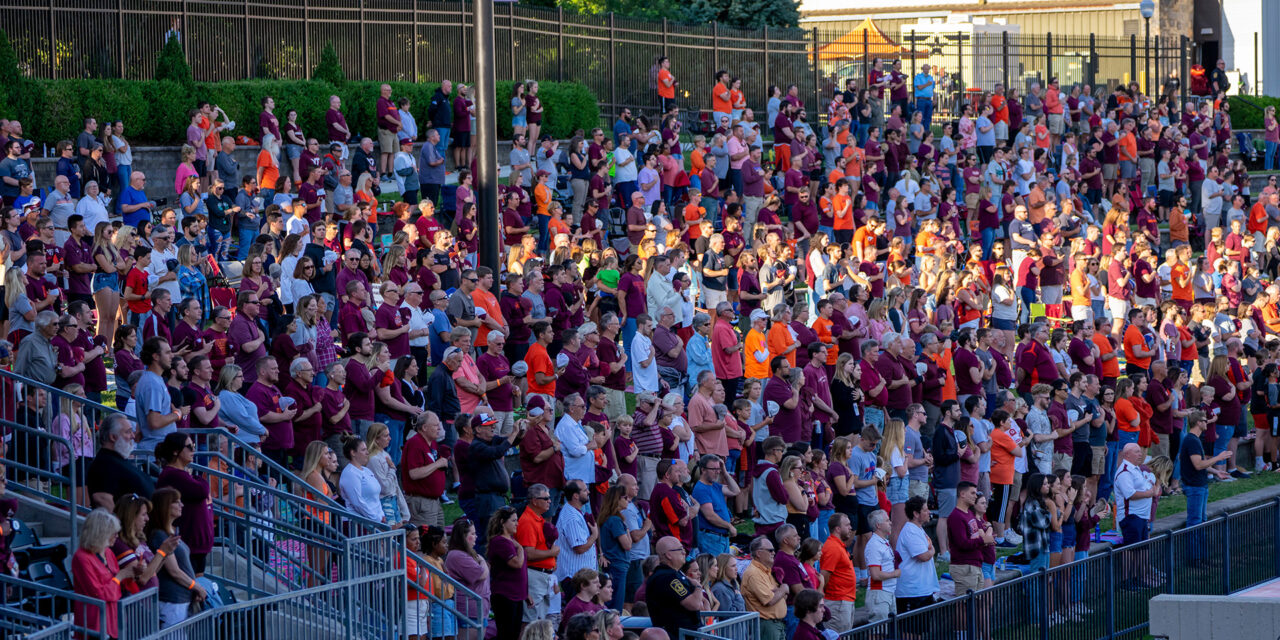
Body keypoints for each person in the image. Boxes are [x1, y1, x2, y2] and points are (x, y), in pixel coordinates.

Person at [646, 536, 706, 640]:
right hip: (677, 635)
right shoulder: (667, 578)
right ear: (669, 555)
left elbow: (699, 604)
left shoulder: (675, 574)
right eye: (680, 549)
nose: (684, 552)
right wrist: (697, 586)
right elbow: (694, 604)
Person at [895, 496, 939, 613]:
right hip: (912, 592)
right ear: (915, 513)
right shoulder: (910, 531)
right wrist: (932, 551)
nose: (929, 512)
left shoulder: (918, 529)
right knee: (911, 630)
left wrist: (930, 551)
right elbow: (923, 556)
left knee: (921, 630)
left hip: (922, 590)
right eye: (925, 510)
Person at [741, 535, 787, 640]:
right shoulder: (753, 573)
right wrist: (783, 589)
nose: (774, 553)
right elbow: (770, 600)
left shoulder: (766, 571)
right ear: (758, 553)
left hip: (776, 624)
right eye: (770, 550)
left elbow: (782, 597)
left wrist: (779, 592)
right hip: (766, 625)